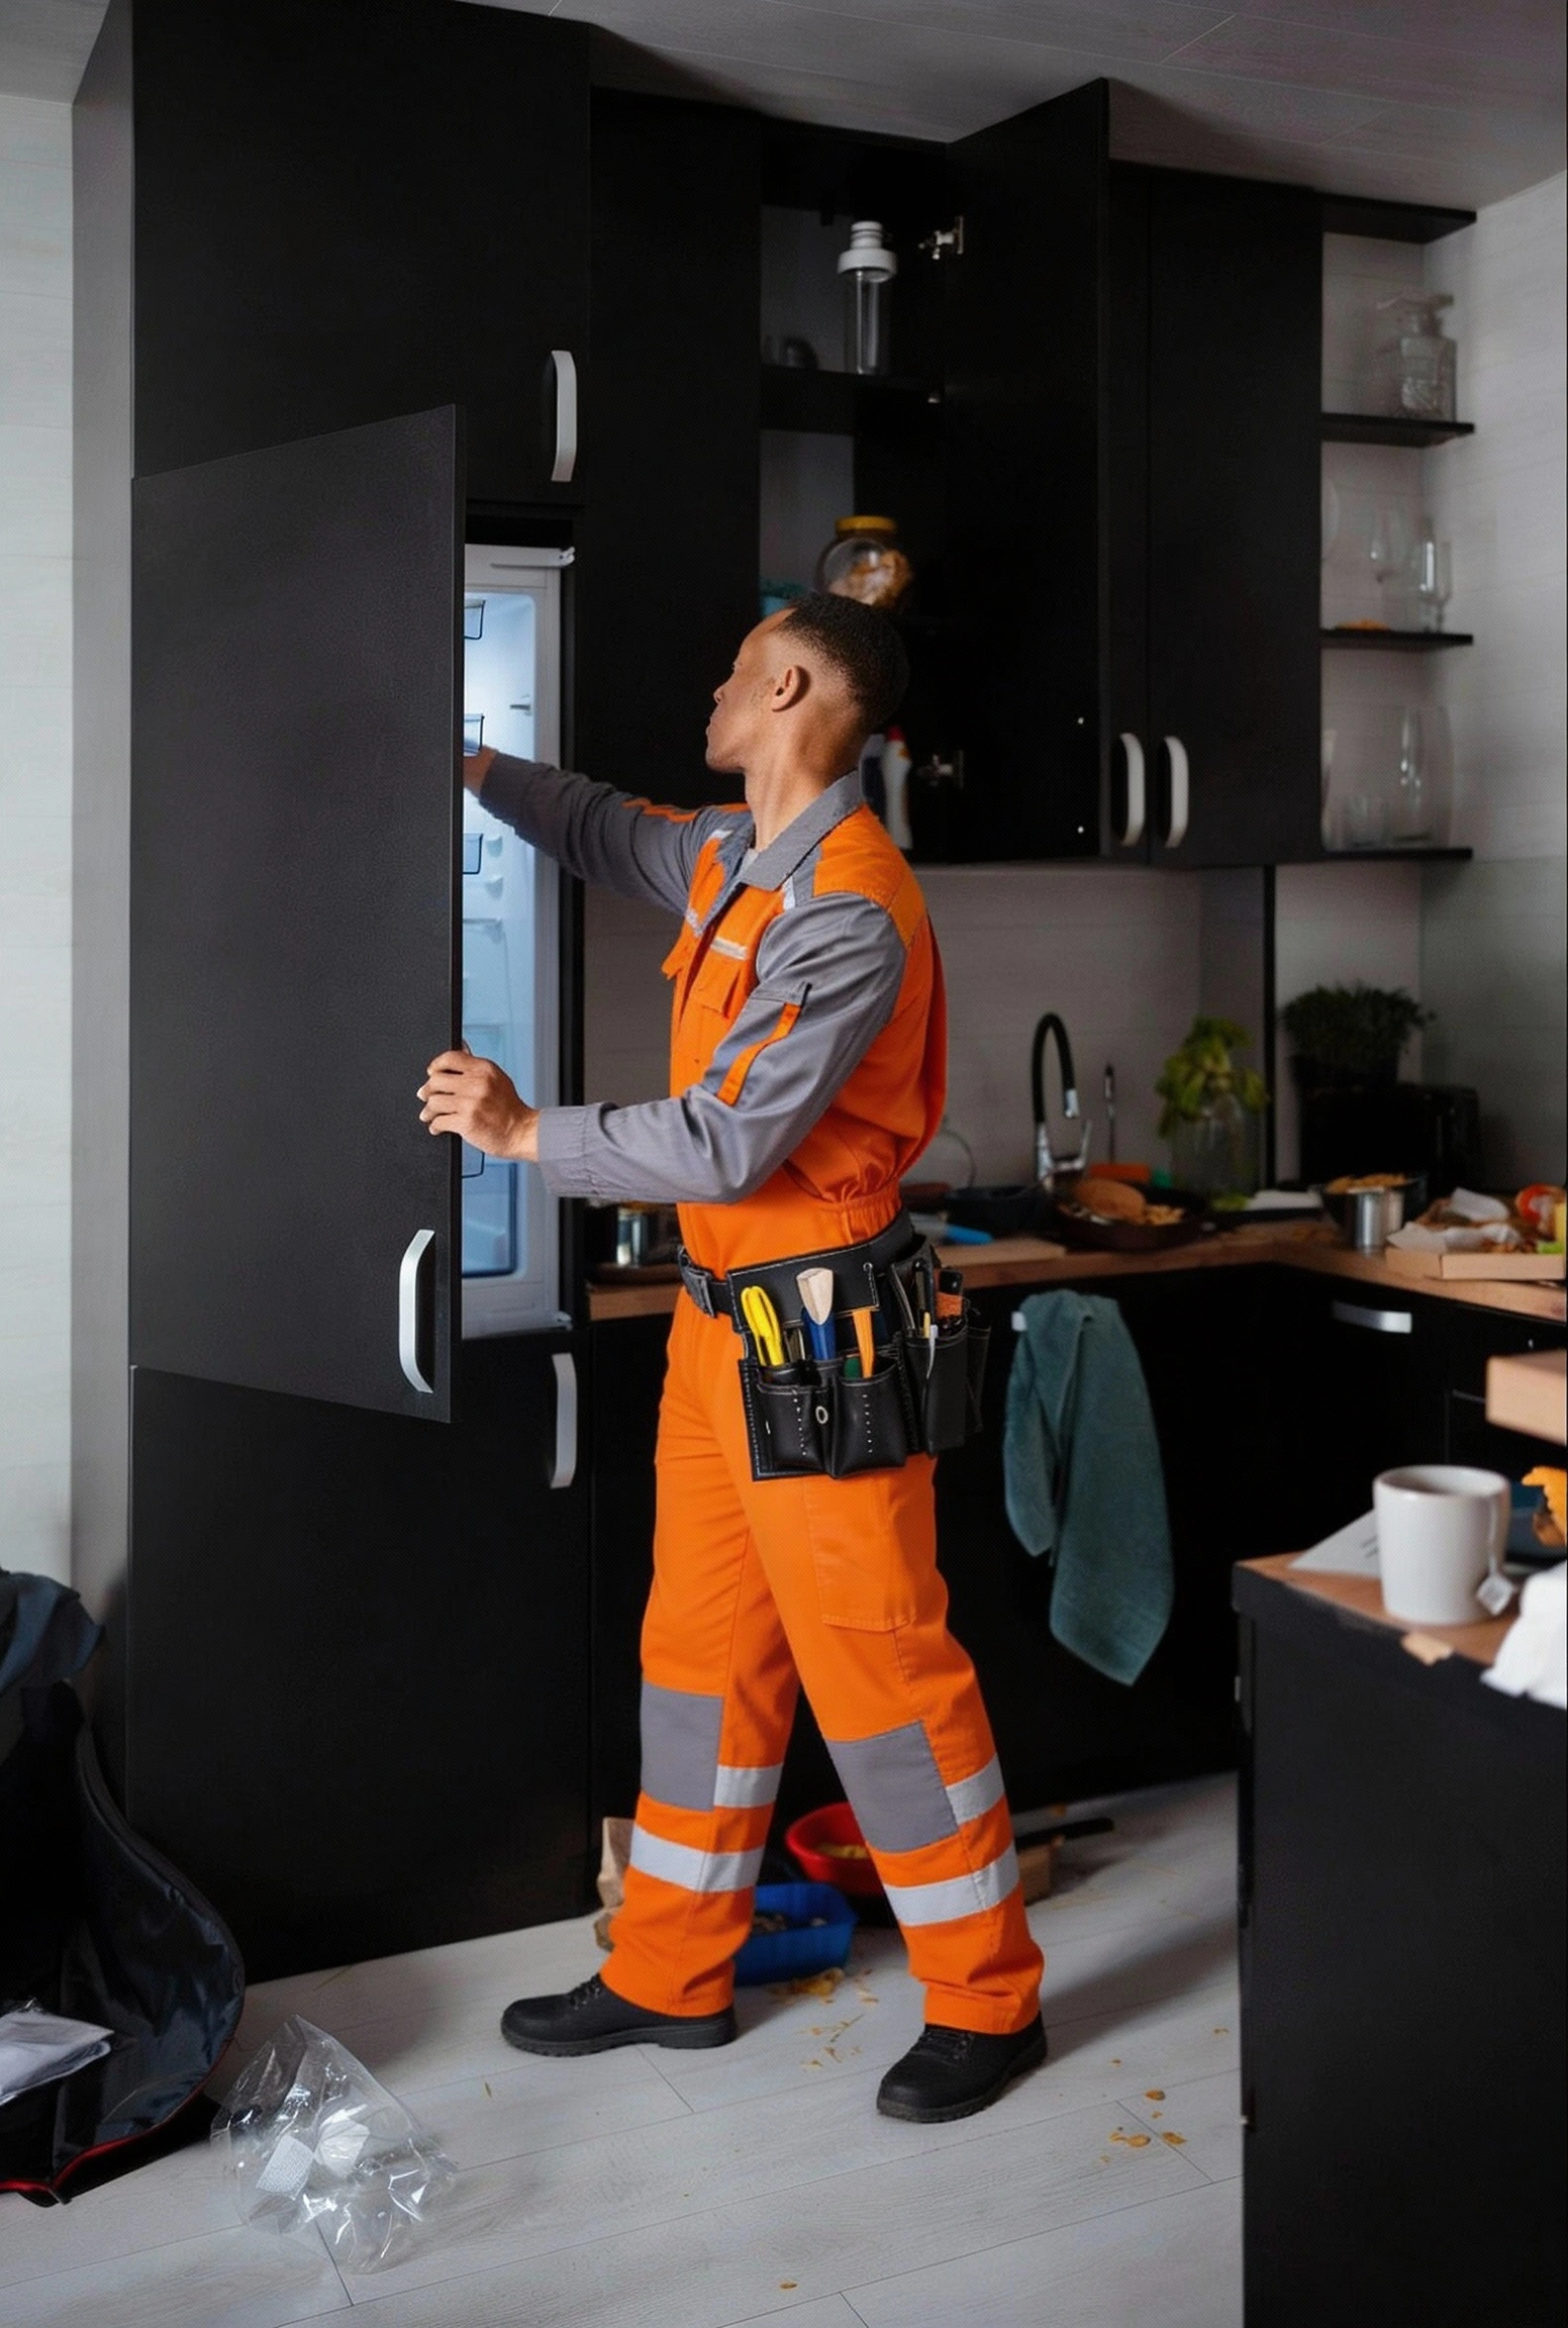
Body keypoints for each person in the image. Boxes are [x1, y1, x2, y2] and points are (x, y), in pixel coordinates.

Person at [417, 594, 1044, 2123]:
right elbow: (593, 822)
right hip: (720, 1330)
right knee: (699, 1663)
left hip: (822, 1329)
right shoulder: (727, 857)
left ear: (785, 684)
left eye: (729, 669)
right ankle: (669, 1970)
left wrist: (521, 1134)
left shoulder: (849, 902)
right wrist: (457, 768)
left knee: (882, 1675)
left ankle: (987, 1999)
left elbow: (725, 1136)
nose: (708, 686)